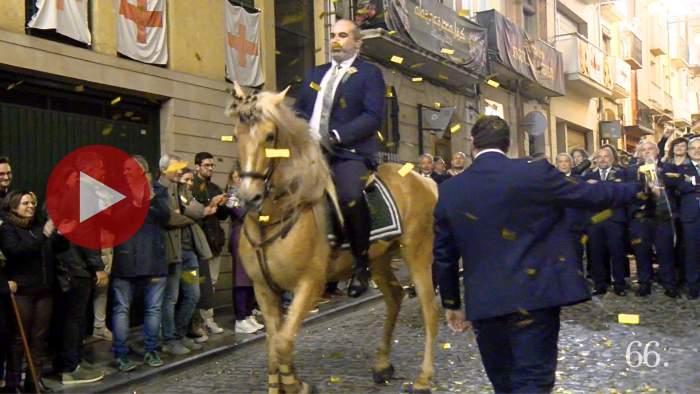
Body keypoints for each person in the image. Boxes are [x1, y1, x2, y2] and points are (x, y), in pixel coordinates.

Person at [434, 116, 640, 393]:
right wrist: (636, 189)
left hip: (485, 300)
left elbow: (444, 253)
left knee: (503, 382)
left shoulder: (450, 190)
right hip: (535, 295)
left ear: (472, 143)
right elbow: (587, 195)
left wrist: (451, 302)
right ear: (508, 144)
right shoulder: (533, 172)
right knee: (534, 379)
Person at [293, 19, 386, 297]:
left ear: (357, 42)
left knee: (349, 196)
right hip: (311, 154)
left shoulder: (369, 74)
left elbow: (372, 117)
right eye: (332, 35)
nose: (336, 40)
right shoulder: (315, 73)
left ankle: (360, 263)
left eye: (343, 36)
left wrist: (335, 136)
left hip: (348, 152)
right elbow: (299, 111)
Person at [0, 191, 67, 393]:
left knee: (39, 338)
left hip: (44, 289)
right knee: (19, 338)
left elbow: (56, 249)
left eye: (32, 202)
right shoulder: (8, 229)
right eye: (25, 203)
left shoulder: (38, 225)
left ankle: (34, 380)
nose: (31, 206)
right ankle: (13, 383)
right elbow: (18, 252)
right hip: (23, 290)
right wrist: (44, 235)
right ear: (14, 207)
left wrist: (61, 236)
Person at [111, 156, 170, 372]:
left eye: (131, 170)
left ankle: (151, 350)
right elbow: (114, 222)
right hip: (126, 259)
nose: (127, 173)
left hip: (154, 260)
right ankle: (120, 354)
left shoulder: (158, 191)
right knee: (121, 309)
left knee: (153, 310)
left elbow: (166, 217)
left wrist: (151, 198)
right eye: (125, 170)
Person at [158, 154, 209, 356]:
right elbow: (170, 218)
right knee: (171, 298)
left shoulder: (183, 190)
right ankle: (170, 339)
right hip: (174, 253)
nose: (180, 171)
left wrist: (185, 213)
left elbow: (199, 210)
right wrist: (187, 216)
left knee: (193, 294)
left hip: (189, 254)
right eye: (177, 168)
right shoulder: (163, 190)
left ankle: (180, 334)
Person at [624, 141, 681, 298]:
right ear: (639, 153)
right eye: (643, 150)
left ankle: (669, 283)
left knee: (666, 251)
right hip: (641, 217)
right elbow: (629, 191)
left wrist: (655, 173)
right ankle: (644, 283)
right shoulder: (632, 170)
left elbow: (675, 184)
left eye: (650, 149)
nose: (647, 152)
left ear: (657, 152)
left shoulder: (668, 167)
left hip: (662, 216)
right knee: (642, 252)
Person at [54, 241, 107, 385]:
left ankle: (70, 362)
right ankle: (70, 367)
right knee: (74, 320)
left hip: (65, 269)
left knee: (69, 319)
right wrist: (98, 266)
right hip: (76, 269)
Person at [584, 146, 630, 296]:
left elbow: (619, 192)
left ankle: (619, 284)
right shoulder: (588, 175)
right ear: (595, 159)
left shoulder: (621, 173)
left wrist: (597, 186)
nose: (602, 159)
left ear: (611, 158)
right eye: (600, 156)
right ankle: (600, 284)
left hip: (614, 219)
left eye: (606, 156)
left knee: (617, 253)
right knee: (596, 253)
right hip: (595, 220)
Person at [191, 152, 228, 336]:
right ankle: (197, 322)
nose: (211, 168)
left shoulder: (215, 187)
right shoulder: (191, 187)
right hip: (198, 243)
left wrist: (223, 205)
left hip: (214, 241)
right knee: (197, 284)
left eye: (212, 165)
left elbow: (221, 216)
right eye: (207, 165)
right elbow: (192, 212)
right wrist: (210, 202)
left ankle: (208, 319)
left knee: (211, 282)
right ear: (197, 166)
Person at [225, 168, 264, 333]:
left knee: (250, 279)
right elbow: (242, 214)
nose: (240, 180)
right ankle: (240, 318)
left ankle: (248, 315)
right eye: (236, 177)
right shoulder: (231, 195)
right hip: (240, 237)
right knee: (241, 279)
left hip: (252, 237)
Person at [676, 138, 700, 299]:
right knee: (692, 252)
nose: (697, 150)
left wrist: (692, 182)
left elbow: (689, 185)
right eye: (693, 148)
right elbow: (680, 186)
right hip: (691, 217)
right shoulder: (681, 168)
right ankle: (693, 286)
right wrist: (692, 183)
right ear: (688, 151)